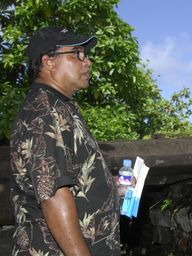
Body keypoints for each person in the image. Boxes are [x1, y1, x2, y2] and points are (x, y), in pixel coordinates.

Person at [10, 27, 120, 255]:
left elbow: (71, 177)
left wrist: (109, 185)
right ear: (49, 62)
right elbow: (53, 195)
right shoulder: (44, 113)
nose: (87, 62)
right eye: (78, 54)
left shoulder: (62, 106)